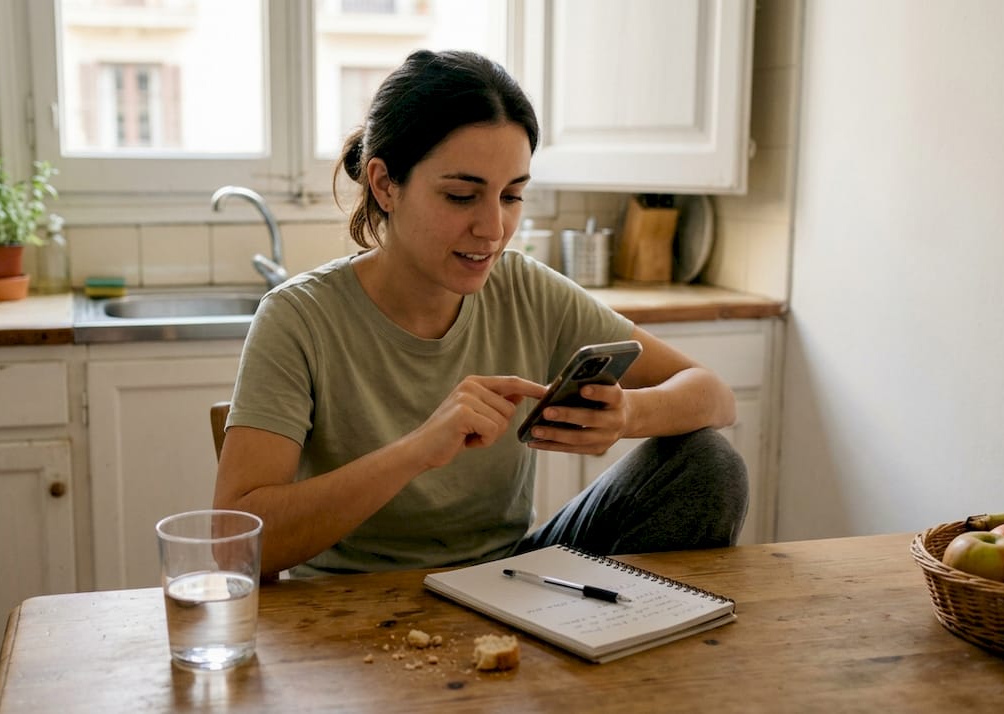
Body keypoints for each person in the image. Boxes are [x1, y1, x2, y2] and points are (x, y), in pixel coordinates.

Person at [213, 49, 747, 578]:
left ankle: (625, 651)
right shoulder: (298, 318)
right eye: (462, 195)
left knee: (708, 465)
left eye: (511, 196)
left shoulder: (525, 289)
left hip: (506, 581)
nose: (492, 228)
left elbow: (714, 396)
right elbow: (235, 547)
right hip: (349, 605)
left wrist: (628, 414)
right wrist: (419, 449)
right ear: (384, 185)